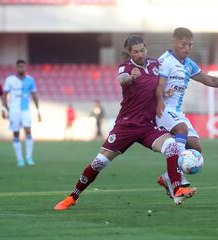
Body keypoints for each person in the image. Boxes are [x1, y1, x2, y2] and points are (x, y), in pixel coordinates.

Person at [54, 35, 196, 211]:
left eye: (142, 50)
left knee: (172, 146)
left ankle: (177, 188)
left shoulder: (155, 65)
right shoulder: (126, 67)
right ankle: (72, 197)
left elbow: (160, 85)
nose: (140, 54)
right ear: (129, 53)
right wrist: (130, 78)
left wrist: (167, 93)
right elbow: (122, 80)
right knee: (99, 163)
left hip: (147, 126)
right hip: (126, 127)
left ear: (146, 48)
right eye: (135, 52)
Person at [155, 27, 218, 190]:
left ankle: (167, 177)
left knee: (196, 147)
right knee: (182, 129)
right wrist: (160, 96)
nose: (187, 48)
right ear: (174, 42)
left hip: (177, 111)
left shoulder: (188, 65)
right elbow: (155, 85)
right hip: (162, 108)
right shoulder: (164, 61)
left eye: (190, 45)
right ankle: (176, 176)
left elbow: (209, 80)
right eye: (184, 44)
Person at [2, 59, 41, 167]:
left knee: (28, 132)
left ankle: (29, 157)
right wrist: (4, 109)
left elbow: (34, 96)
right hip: (14, 110)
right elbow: (4, 95)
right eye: (19, 66)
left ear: (25, 67)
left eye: (23, 66)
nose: (21, 68)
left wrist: (38, 110)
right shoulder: (10, 80)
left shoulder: (30, 80)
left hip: (25, 110)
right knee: (16, 134)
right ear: (16, 67)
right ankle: (20, 159)